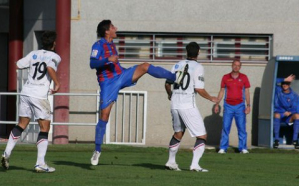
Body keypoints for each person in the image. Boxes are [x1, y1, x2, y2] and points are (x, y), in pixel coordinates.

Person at [89, 20, 185, 166]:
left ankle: (174, 77)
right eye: (113, 27)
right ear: (107, 31)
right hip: (108, 84)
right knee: (104, 116)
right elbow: (92, 63)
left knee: (145, 66)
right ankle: (97, 150)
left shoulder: (112, 44)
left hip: (121, 75)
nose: (116, 28)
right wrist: (107, 59)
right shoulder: (98, 45)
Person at [1, 31, 61, 173]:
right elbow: (49, 67)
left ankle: (6, 153)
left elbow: (19, 64)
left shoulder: (34, 53)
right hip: (39, 94)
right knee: (44, 127)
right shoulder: (55, 56)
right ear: (54, 43)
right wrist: (57, 84)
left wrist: (33, 63)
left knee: (21, 124)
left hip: (26, 92)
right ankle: (40, 163)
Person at [164, 42, 218, 172]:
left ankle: (171, 162)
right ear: (198, 52)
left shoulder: (177, 65)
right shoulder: (198, 67)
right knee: (202, 136)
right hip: (187, 105)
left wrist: (170, 94)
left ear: (186, 51)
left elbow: (167, 84)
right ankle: (195, 165)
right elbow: (199, 89)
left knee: (178, 133)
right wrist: (211, 98)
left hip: (175, 104)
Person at [215, 60, 250, 154]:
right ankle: (223, 148)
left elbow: (246, 92)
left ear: (240, 67)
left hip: (240, 106)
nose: (236, 67)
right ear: (232, 65)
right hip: (228, 106)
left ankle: (243, 148)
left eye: (238, 65)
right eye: (235, 65)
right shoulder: (225, 77)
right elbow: (222, 91)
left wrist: (248, 105)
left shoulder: (244, 77)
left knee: (242, 128)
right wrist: (217, 104)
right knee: (226, 127)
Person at [273, 74, 299, 149]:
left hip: (289, 115)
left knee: (298, 116)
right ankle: (276, 140)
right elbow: (272, 81)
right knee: (277, 115)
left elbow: (295, 107)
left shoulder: (294, 95)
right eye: (283, 83)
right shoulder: (278, 90)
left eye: (287, 83)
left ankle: (295, 140)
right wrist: (284, 79)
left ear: (289, 85)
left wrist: (290, 112)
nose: (285, 85)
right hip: (279, 113)